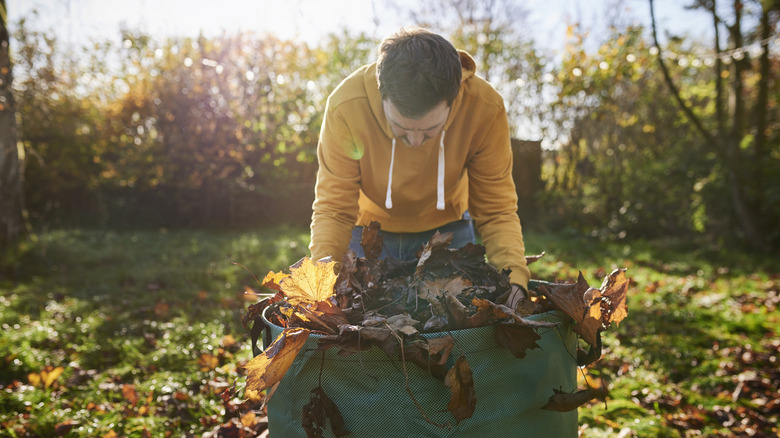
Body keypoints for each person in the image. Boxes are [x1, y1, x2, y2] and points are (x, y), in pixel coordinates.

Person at [309, 27, 530, 307]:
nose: (414, 141)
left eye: (429, 130)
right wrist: (320, 283)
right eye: (400, 127)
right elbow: (334, 208)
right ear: (382, 94)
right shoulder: (346, 106)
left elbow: (496, 209)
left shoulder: (485, 108)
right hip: (367, 233)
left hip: (448, 231)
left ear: (454, 99)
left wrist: (514, 281)